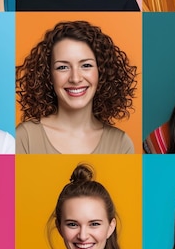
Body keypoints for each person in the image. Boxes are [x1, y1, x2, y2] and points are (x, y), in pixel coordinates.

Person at [16, 21, 136, 154]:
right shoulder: (24, 137)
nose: (75, 78)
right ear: (49, 75)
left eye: (86, 65)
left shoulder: (121, 144)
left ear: (101, 71)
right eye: (63, 67)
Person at [19, 163, 141, 249]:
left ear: (111, 227)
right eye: (72, 224)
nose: (83, 236)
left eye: (94, 224)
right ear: (59, 227)